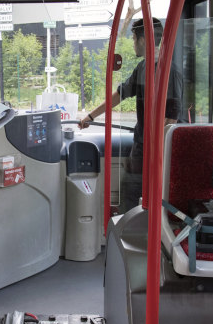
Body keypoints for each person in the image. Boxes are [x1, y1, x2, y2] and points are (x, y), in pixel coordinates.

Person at [78, 17, 185, 211]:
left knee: (137, 200)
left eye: (134, 38)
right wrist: (90, 117)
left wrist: (153, 156)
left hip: (155, 152)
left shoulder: (169, 71)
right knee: (130, 196)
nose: (133, 43)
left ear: (143, 40)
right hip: (142, 147)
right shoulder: (143, 68)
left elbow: (171, 119)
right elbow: (120, 95)